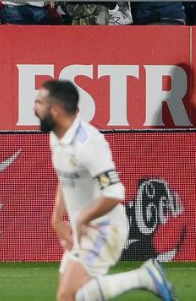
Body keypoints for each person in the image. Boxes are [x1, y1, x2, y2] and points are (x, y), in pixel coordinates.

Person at [33, 79, 177, 301]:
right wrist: (56, 216)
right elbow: (66, 175)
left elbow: (115, 193)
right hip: (86, 229)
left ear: (56, 110)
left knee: (71, 295)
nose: (35, 108)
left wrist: (82, 220)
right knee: (71, 297)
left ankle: (145, 277)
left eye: (39, 102)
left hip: (105, 229)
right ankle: (146, 276)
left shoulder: (89, 143)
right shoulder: (57, 136)